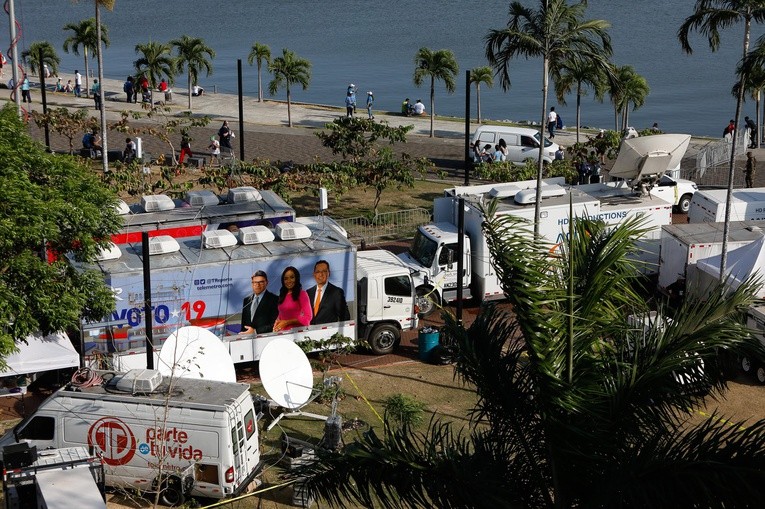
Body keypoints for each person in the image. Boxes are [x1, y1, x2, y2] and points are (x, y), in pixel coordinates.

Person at [306, 260, 350, 325]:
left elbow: (345, 317)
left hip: (328, 333)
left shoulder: (336, 292)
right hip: (309, 333)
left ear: (329, 273)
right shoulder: (308, 293)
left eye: (324, 271)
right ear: (314, 274)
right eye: (318, 272)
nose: (320, 274)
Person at [273, 266, 312, 332]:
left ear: (296, 278)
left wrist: (287, 322)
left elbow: (308, 317)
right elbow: (282, 313)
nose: (289, 281)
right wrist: (277, 323)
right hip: (283, 333)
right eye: (286, 278)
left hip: (297, 333)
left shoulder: (302, 294)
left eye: (292, 277)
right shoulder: (282, 295)